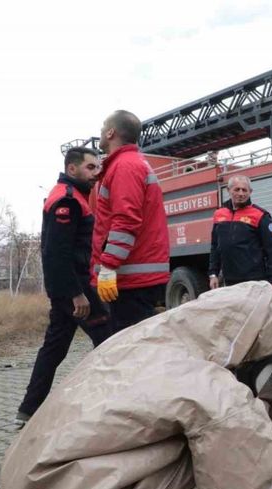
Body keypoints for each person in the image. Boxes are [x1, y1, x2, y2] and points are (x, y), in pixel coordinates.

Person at [0, 282, 272, 489]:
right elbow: (245, 478)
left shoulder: (148, 338)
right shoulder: (217, 392)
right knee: (233, 453)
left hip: (25, 481)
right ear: (270, 342)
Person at [15, 147, 113, 427]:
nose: (96, 173)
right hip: (75, 288)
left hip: (67, 288)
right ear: (72, 169)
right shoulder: (67, 201)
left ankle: (27, 410)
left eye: (97, 167)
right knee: (109, 341)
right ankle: (110, 405)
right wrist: (76, 294)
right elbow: (56, 252)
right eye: (91, 168)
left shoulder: (73, 197)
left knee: (54, 348)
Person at [92, 110, 170, 333]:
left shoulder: (124, 166)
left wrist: (108, 266)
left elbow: (125, 221)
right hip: (134, 277)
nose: (99, 132)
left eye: (102, 127)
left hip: (131, 279)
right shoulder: (131, 164)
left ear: (111, 132)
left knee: (133, 350)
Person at [209, 175, 272, 292]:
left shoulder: (260, 215)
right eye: (237, 189)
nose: (241, 194)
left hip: (254, 281)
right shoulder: (219, 214)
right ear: (228, 190)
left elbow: (271, 250)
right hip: (229, 280)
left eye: (244, 190)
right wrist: (213, 274)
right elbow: (215, 247)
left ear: (250, 192)